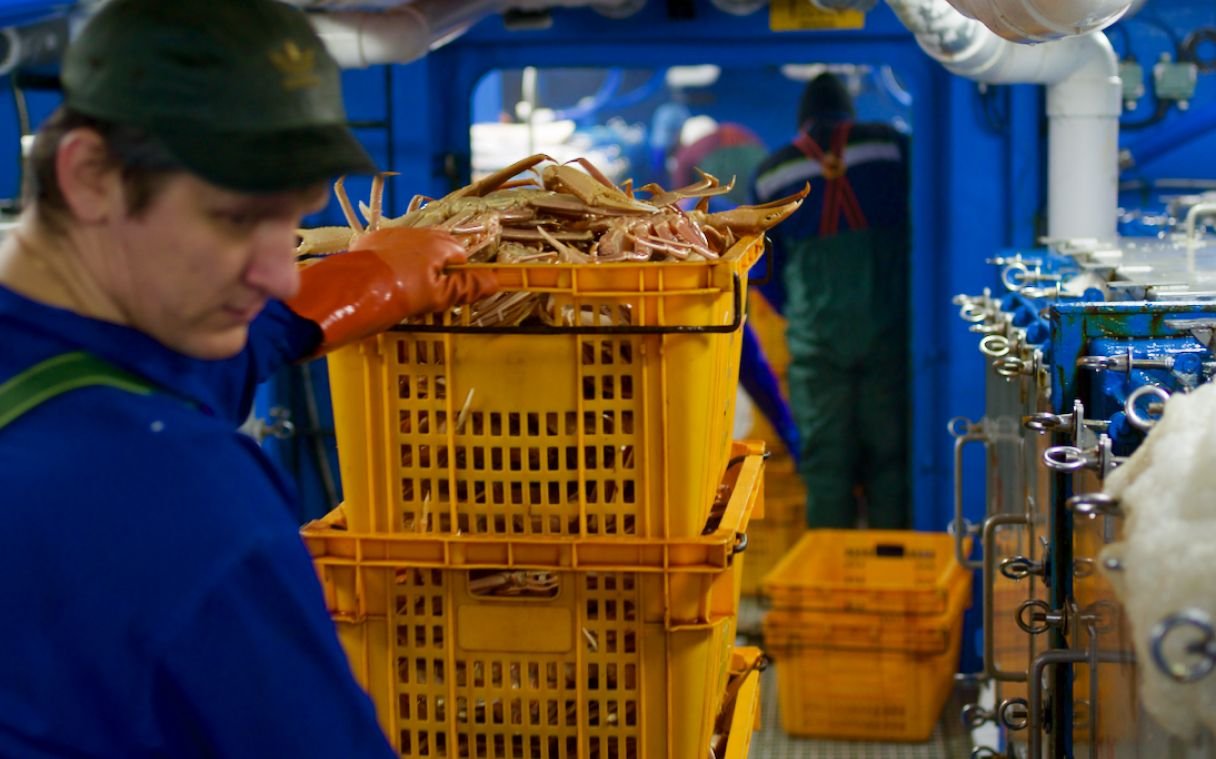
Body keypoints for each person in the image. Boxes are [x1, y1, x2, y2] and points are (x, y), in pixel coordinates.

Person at [0, 1, 497, 756]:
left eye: (291, 219)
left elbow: (168, 367)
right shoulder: (185, 497)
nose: (280, 274)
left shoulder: (56, 365)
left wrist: (372, 280)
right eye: (236, 219)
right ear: (91, 175)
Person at [750, 71, 911, 530]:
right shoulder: (891, 146)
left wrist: (803, 315)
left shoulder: (771, 173)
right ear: (849, 112)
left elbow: (765, 270)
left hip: (818, 347)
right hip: (890, 337)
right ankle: (893, 566)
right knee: (892, 460)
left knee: (825, 466)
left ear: (804, 121)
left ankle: (833, 574)